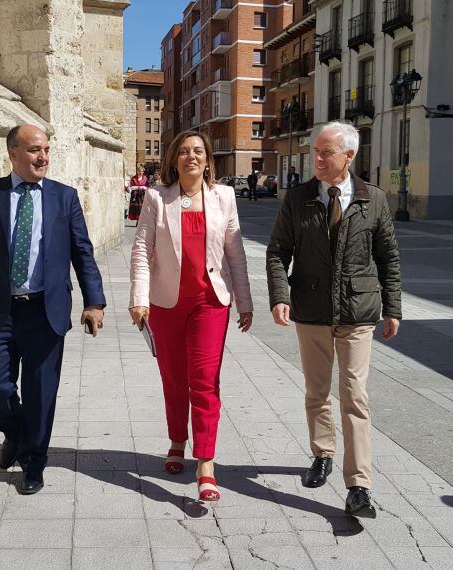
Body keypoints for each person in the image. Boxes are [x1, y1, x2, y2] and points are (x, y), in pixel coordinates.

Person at [0, 124, 107, 495]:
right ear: (14, 154)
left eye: (47, 150)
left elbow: (82, 252)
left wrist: (94, 301)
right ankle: (17, 433)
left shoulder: (63, 197)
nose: (43, 157)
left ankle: (34, 462)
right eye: (35, 150)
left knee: (41, 392)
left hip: (45, 312)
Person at [265, 121, 401, 519]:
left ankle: (359, 486)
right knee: (317, 390)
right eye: (316, 153)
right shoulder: (299, 198)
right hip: (311, 310)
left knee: (355, 396)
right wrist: (279, 296)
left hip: (358, 312)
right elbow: (277, 252)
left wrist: (393, 308)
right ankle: (323, 453)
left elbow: (388, 257)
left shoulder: (372, 199)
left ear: (349, 156)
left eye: (326, 153)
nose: (318, 160)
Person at [129, 131, 254, 502]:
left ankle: (205, 462)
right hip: (166, 304)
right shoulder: (156, 197)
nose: (191, 157)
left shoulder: (225, 197)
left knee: (204, 380)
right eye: (183, 151)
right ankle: (176, 440)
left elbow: (235, 254)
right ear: (174, 159)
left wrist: (244, 302)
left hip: (210, 303)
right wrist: (139, 298)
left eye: (197, 151)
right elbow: (141, 250)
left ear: (208, 159)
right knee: (173, 377)